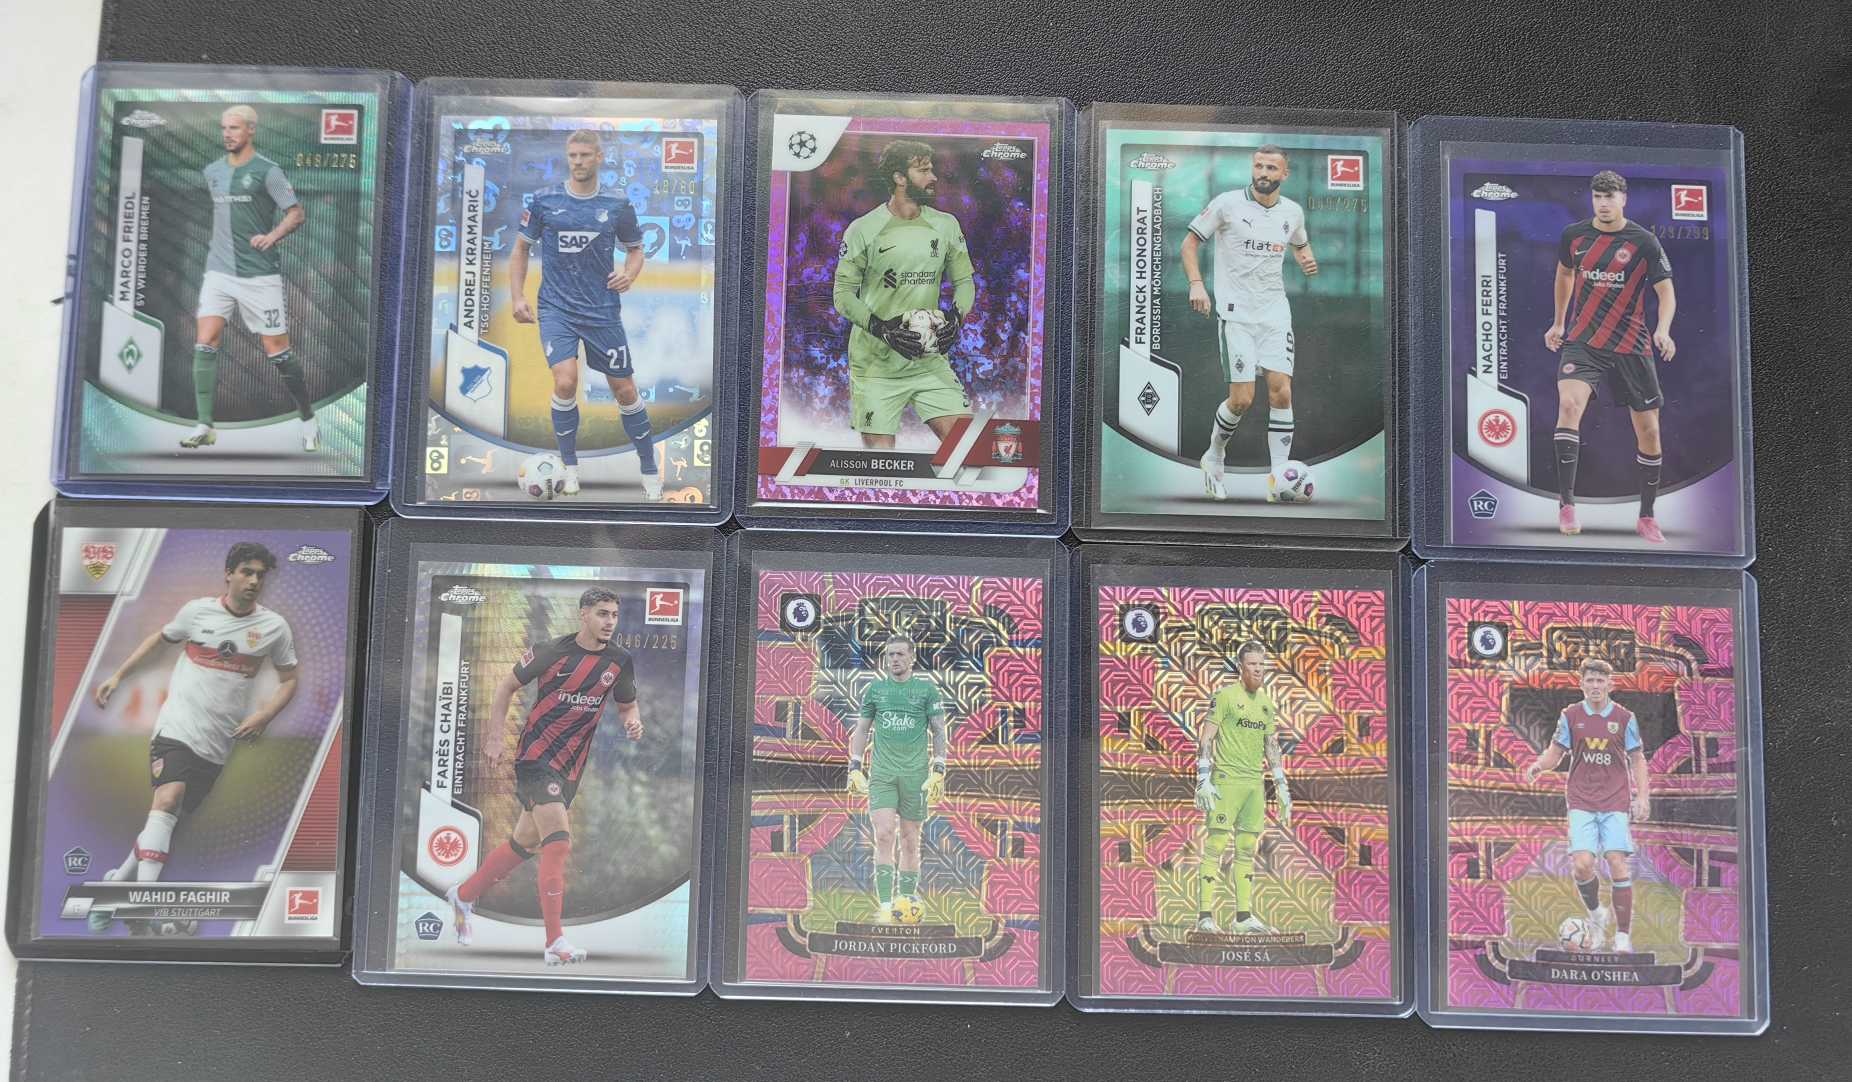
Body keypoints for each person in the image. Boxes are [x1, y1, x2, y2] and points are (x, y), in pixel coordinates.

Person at [88, 542, 299, 933]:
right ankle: (142, 906)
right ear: (229, 574)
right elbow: (158, 640)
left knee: (165, 820)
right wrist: (118, 676)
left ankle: (116, 882)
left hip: (217, 743)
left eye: (260, 575)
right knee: (167, 799)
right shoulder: (197, 612)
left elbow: (288, 679)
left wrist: (265, 715)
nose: (254, 581)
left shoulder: (274, 627)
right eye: (247, 572)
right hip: (176, 727)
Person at [445, 588, 643, 966]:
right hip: (536, 757)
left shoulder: (619, 661)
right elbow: (506, 686)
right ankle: (554, 941)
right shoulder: (552, 651)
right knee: (559, 843)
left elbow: (627, 705)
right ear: (583, 614)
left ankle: (464, 895)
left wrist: (633, 722)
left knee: (525, 842)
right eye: (602, 613)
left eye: (614, 615)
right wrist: (494, 737)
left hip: (571, 767)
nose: (609, 622)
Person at [508, 129, 660, 500]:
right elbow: (521, 249)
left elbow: (636, 250)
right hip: (556, 307)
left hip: (601, 310)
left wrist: (629, 274)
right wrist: (517, 297)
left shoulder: (617, 203)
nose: (578, 162)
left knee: (624, 390)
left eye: (585, 155)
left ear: (599, 158)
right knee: (565, 381)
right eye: (573, 155)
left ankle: (650, 470)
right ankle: (570, 470)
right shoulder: (545, 201)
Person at [1543, 170, 1677, 543]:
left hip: (1631, 345)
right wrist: (1558, 323)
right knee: (1568, 405)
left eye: (1610, 197)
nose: (1603, 204)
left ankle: (1646, 516)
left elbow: (1666, 292)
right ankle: (1566, 505)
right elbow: (1564, 275)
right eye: (1598, 197)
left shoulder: (1644, 241)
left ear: (1623, 200)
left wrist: (1663, 329)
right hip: (1583, 342)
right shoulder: (1574, 236)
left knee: (1650, 432)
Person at [1181, 144, 1318, 503]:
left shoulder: (1292, 212)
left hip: (1275, 313)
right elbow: (1189, 244)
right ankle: (1214, 455)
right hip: (1236, 314)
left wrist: (1306, 259)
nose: (1263, 173)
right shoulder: (1227, 204)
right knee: (1242, 399)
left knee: (1282, 391)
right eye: (1259, 166)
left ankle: (1278, 477)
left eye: (1272, 168)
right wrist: (1197, 284)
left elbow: (1300, 244)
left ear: (1284, 174)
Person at [183, 106, 317, 452]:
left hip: (259, 275)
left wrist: (272, 237)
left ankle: (308, 420)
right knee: (205, 340)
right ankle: (204, 425)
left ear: (251, 130)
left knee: (278, 352)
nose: (227, 134)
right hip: (218, 271)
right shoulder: (212, 171)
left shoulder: (268, 171)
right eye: (224, 128)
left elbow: (296, 213)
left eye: (234, 128)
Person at [830, 140, 975, 451]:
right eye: (923, 171)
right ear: (899, 178)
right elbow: (842, 295)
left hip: (928, 360)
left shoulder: (946, 225)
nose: (933, 177)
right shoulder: (863, 229)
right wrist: (882, 328)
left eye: (932, 169)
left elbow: (964, 281)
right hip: (876, 367)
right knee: (880, 465)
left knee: (968, 450)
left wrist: (956, 317)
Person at [1523, 658, 1652, 952]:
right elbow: (1555, 753)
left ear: (1610, 684)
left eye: (1600, 680)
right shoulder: (1570, 716)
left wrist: (1643, 797)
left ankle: (1622, 936)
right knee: (1582, 865)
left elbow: (1637, 759)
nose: (1595, 685)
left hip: (1615, 801)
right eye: (1590, 680)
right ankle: (1597, 913)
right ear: (1581, 684)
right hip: (1581, 800)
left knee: (1617, 862)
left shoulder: (1624, 718)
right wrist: (1539, 765)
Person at [1193, 641, 1292, 934]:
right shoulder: (1224, 696)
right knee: (1216, 845)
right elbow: (1206, 737)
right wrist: (1203, 777)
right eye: (1252, 664)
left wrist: (1281, 784)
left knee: (1247, 848)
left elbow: (1271, 745)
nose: (1258, 669)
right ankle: (1205, 916)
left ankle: (1243, 917)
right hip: (1227, 781)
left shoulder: (1266, 704)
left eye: (1261, 664)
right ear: (1241, 666)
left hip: (1253, 784)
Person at [846, 637, 948, 922]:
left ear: (912, 657)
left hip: (916, 777)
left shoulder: (926, 691)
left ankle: (906, 902)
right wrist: (855, 765)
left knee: (910, 839)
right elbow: (862, 729)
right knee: (883, 835)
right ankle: (885, 906)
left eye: (901, 654)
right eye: (890, 654)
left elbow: (939, 730)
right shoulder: (876, 690)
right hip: (882, 775)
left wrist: (938, 768)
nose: (894, 659)